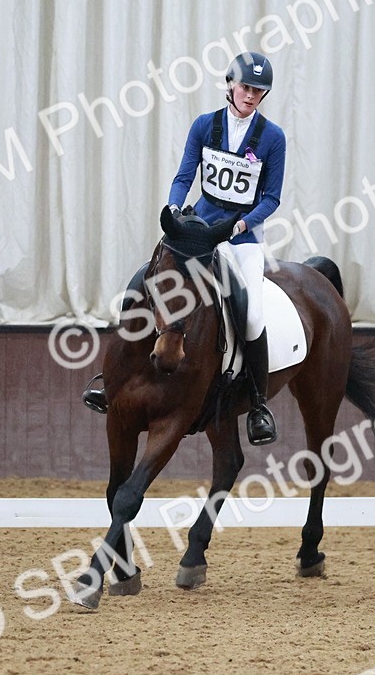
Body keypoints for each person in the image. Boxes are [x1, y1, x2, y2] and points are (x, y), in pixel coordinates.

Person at [85, 51, 286, 446]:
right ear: (231, 85)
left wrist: (243, 223)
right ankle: (113, 380)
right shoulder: (204, 126)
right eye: (246, 87)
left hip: (240, 238)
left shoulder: (273, 138)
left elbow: (272, 197)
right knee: (144, 281)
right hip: (198, 229)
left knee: (251, 314)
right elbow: (184, 175)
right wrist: (175, 208)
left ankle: (259, 404)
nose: (251, 96)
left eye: (258, 91)